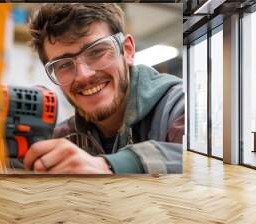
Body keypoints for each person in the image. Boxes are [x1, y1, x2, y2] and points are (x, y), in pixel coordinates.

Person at [22, 3, 184, 174]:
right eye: (63, 65)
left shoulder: (180, 106)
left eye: (97, 52)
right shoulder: (63, 139)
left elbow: (204, 162)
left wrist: (108, 166)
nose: (84, 75)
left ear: (127, 50)